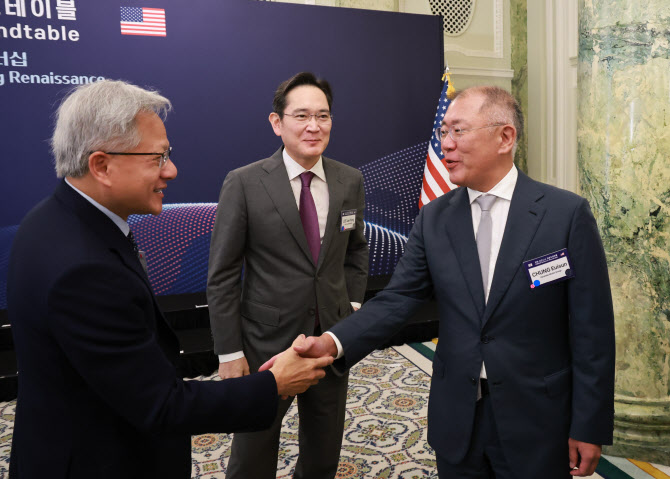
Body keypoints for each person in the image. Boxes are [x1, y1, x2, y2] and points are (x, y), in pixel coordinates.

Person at [277, 86, 616, 478]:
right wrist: (332, 342)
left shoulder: (565, 215)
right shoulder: (434, 218)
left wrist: (589, 425)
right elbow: (397, 299)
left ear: (505, 137)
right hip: (458, 419)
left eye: (459, 131)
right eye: (443, 132)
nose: (446, 145)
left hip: (539, 420)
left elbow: (593, 330)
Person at [7, 79, 333, 479]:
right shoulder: (84, 270)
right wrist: (273, 384)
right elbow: (161, 405)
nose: (172, 170)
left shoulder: (49, 220)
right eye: (157, 158)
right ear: (102, 166)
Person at [206, 71, 368, 479]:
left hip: (330, 339)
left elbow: (356, 249)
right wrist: (229, 352)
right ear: (277, 123)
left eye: (323, 116)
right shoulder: (244, 183)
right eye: (302, 116)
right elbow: (223, 274)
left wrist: (350, 305)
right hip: (265, 344)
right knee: (253, 452)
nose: (314, 126)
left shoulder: (349, 180)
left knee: (324, 450)